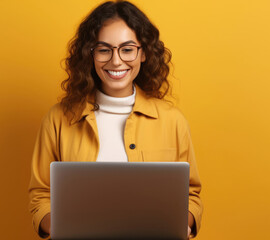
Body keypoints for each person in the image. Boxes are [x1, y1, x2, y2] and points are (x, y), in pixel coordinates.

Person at [28, 1, 203, 239]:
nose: (116, 61)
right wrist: (64, 225)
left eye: (127, 49)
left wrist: (181, 221)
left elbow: (191, 195)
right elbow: (41, 196)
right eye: (104, 50)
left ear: (143, 53)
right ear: (90, 54)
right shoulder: (58, 119)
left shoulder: (173, 121)